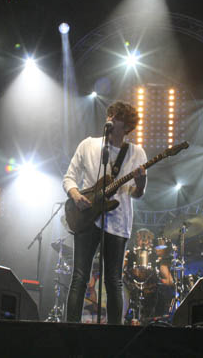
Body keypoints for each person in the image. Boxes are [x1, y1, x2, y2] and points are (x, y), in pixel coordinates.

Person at [63, 101, 147, 324]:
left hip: (118, 222)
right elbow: (69, 177)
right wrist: (75, 194)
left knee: (113, 281)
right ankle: (69, 331)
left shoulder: (137, 153)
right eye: (110, 113)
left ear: (127, 126)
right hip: (87, 217)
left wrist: (141, 183)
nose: (110, 117)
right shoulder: (89, 145)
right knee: (79, 277)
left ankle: (113, 337)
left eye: (116, 116)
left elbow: (135, 194)